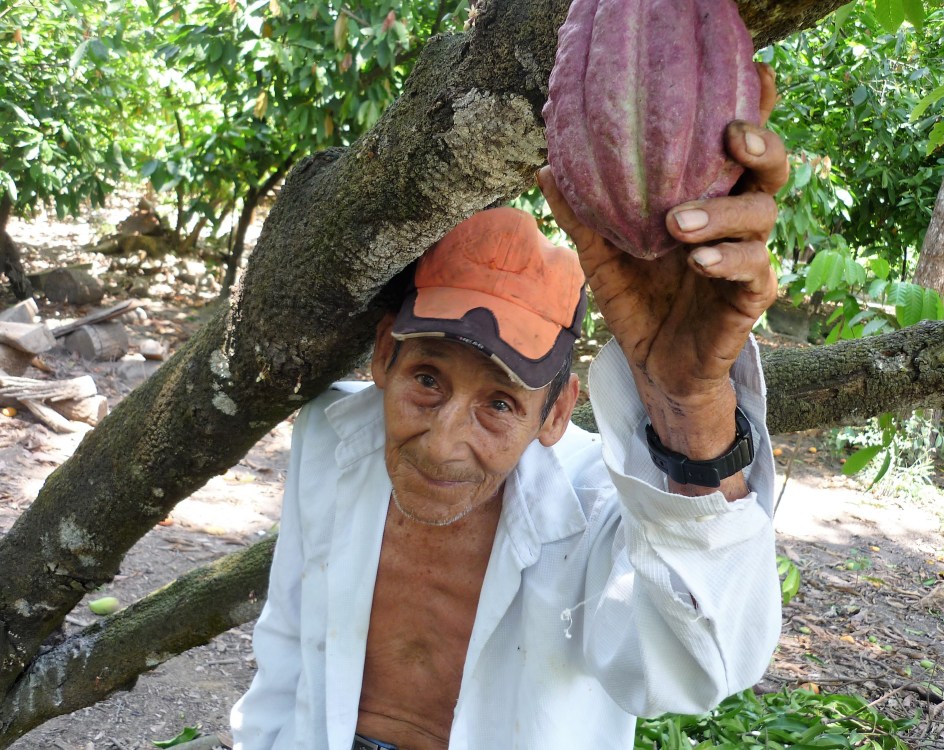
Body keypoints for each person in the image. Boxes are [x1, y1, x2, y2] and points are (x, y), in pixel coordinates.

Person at [232, 64, 789, 750]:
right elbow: (286, 634)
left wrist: (690, 406)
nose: (441, 444)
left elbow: (700, 668)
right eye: (428, 381)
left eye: (500, 402)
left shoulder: (601, 506)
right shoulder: (329, 434)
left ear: (556, 414)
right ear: (384, 357)